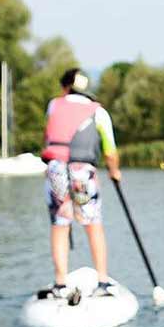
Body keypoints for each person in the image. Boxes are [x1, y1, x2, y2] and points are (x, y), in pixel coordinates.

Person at [42, 68, 122, 300]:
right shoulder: (99, 112)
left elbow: (48, 137)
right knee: (93, 223)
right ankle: (103, 282)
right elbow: (110, 149)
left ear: (65, 87)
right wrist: (114, 172)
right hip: (83, 172)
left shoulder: (54, 105)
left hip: (56, 169)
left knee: (60, 223)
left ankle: (60, 284)